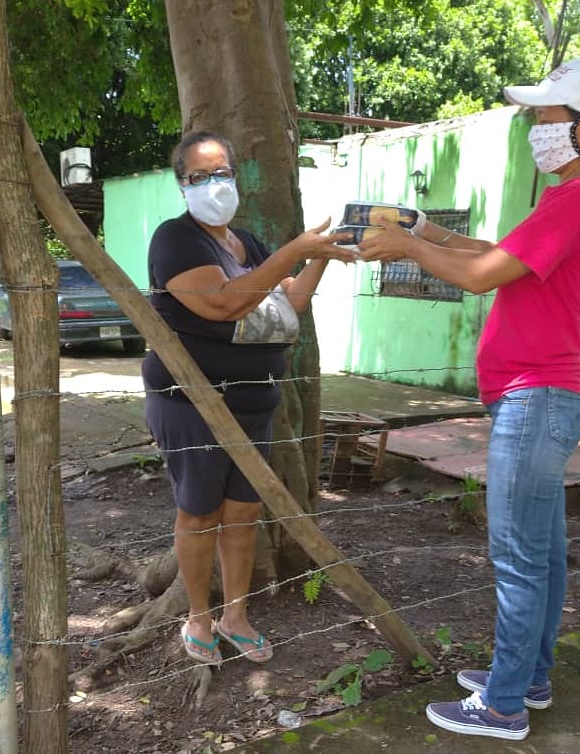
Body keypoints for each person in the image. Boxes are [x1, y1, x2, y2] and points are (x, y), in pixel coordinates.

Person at [359, 58, 580, 741]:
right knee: (540, 556)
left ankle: (503, 705)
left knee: (518, 557)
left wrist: (400, 245)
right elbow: (496, 252)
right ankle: (527, 679)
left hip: (533, 401)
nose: (533, 126)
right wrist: (427, 230)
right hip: (544, 399)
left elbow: (484, 276)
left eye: (545, 116)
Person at [142, 130, 356, 665]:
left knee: (243, 513)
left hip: (254, 402)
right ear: (182, 184)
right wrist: (295, 250)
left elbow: (288, 307)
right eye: (200, 176)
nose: (215, 184)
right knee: (200, 513)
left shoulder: (248, 244)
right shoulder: (177, 239)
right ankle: (197, 617)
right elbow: (222, 304)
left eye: (223, 172)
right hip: (192, 402)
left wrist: (322, 255)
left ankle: (235, 615)